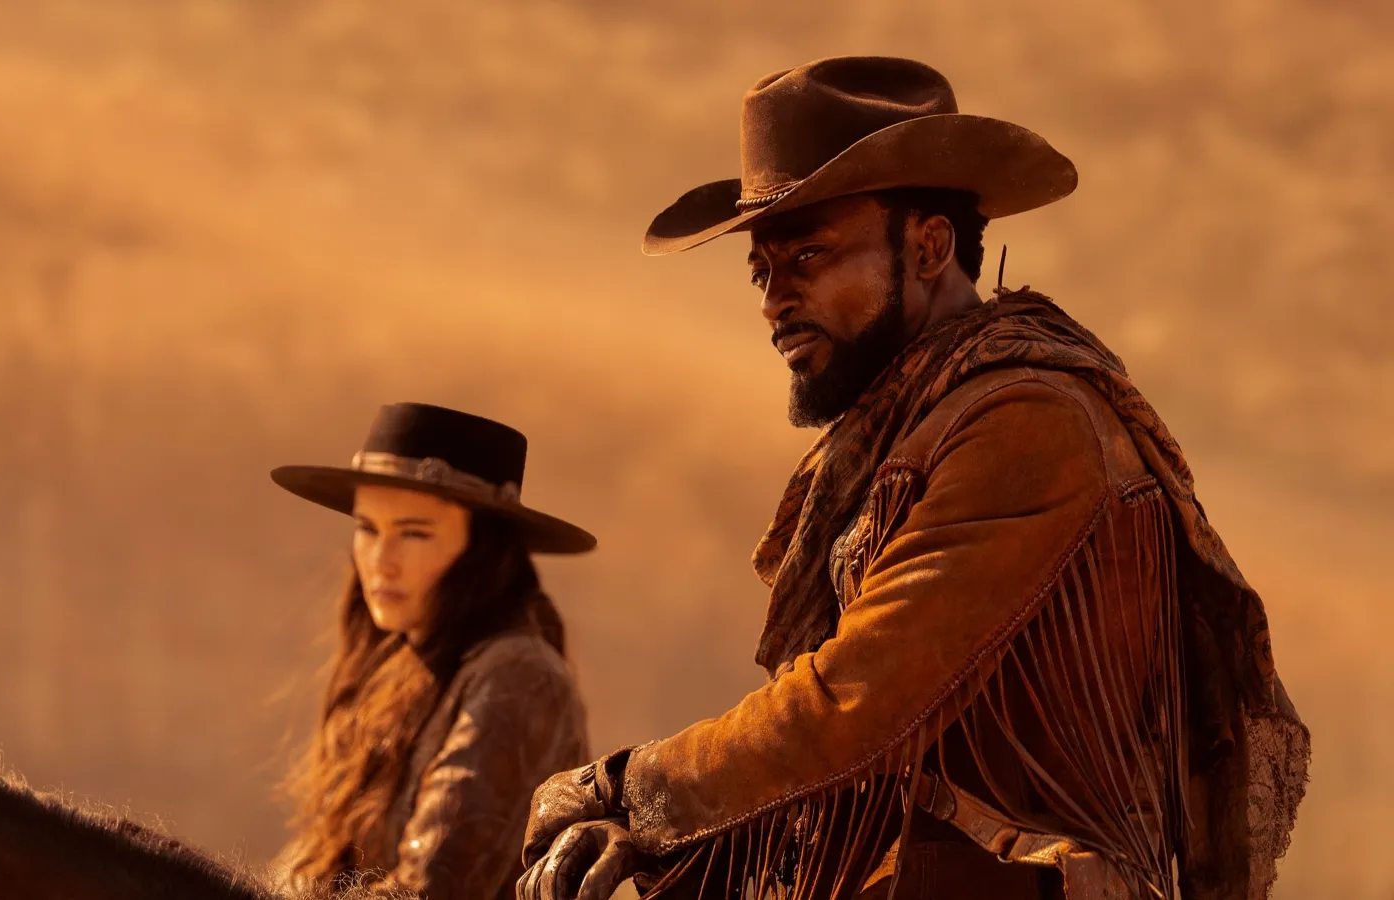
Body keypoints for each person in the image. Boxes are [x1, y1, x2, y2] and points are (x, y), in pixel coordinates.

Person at [519, 57, 1308, 900]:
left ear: (928, 246)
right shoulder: (915, 426)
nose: (774, 301)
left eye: (810, 257)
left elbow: (853, 705)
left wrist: (621, 788)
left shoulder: (1028, 422)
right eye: (764, 271)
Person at [272, 402, 595, 900]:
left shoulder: (520, 678)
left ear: (481, 548)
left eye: (415, 533)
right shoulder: (394, 667)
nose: (382, 560)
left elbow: (428, 892)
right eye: (368, 529)